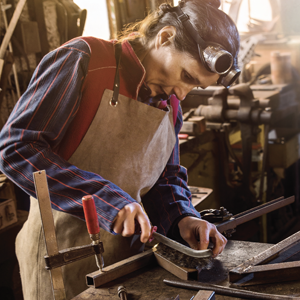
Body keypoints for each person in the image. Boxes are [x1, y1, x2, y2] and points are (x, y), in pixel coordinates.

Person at [0, 0, 240, 299]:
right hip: (62, 260)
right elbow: (17, 148)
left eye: (196, 86)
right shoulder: (84, 60)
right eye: (187, 76)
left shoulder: (171, 103)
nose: (182, 92)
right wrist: (105, 200)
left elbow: (165, 178)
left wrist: (183, 217)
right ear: (164, 38)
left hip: (130, 264)